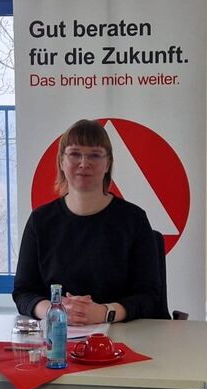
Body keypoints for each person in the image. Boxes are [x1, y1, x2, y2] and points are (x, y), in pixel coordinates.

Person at [13, 119, 168, 325]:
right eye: (75, 154)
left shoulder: (134, 220)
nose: (84, 163)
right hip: (57, 336)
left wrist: (105, 313)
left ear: (108, 164)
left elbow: (149, 296)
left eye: (94, 155)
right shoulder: (40, 221)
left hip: (121, 335)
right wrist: (56, 311)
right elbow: (23, 292)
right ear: (61, 161)